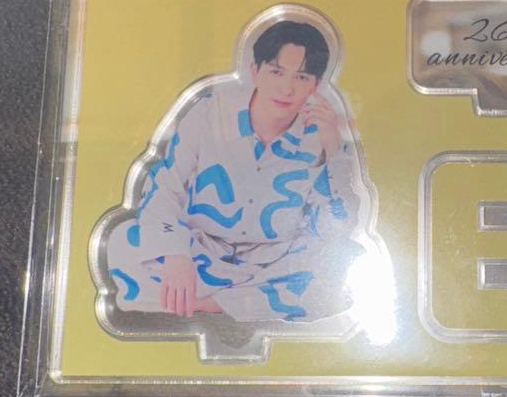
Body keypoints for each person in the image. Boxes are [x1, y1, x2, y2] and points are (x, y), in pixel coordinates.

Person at [100, 18, 369, 324]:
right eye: (276, 72)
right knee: (122, 242)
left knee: (347, 268)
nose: (287, 88)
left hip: (274, 262)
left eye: (302, 77)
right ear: (255, 71)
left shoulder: (320, 137)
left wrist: (334, 149)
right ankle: (245, 304)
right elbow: (164, 188)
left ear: (316, 85)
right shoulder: (209, 113)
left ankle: (209, 305)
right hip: (199, 251)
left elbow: (337, 227)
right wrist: (176, 256)